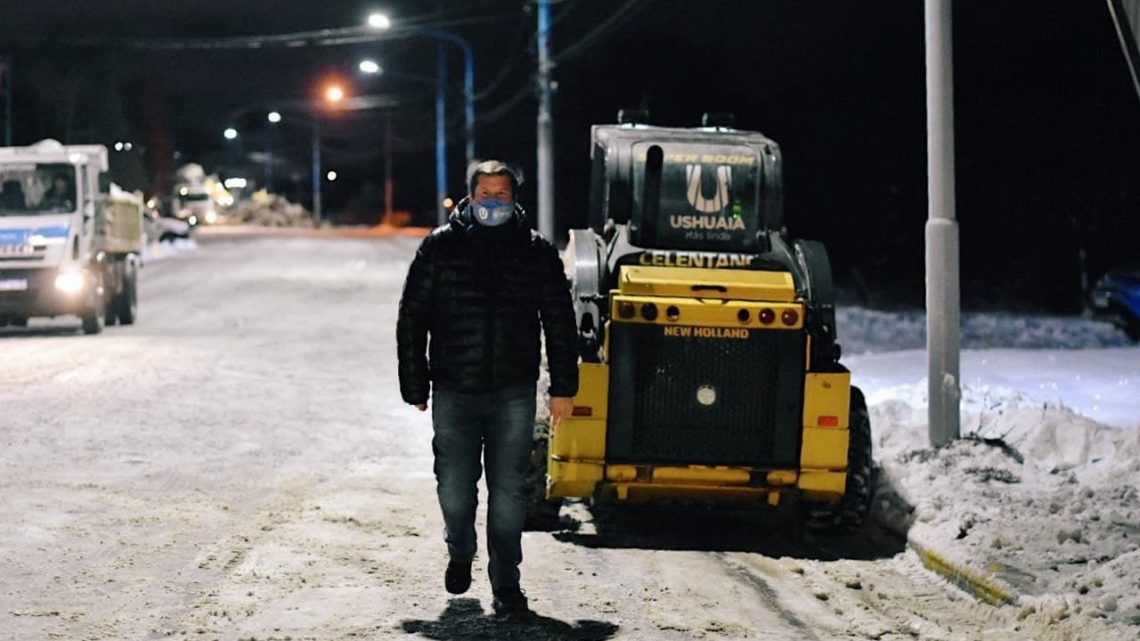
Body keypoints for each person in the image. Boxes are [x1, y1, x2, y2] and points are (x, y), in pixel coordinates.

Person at [396, 160, 578, 621]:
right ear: (469, 197)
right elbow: (412, 318)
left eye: (502, 194)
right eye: (485, 194)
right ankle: (460, 551)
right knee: (455, 491)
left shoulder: (536, 252)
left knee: (509, 494)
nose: (493, 202)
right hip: (455, 391)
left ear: (515, 199)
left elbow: (559, 321)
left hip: (513, 393)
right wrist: (415, 384)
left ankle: (507, 584)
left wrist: (563, 387)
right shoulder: (440, 248)